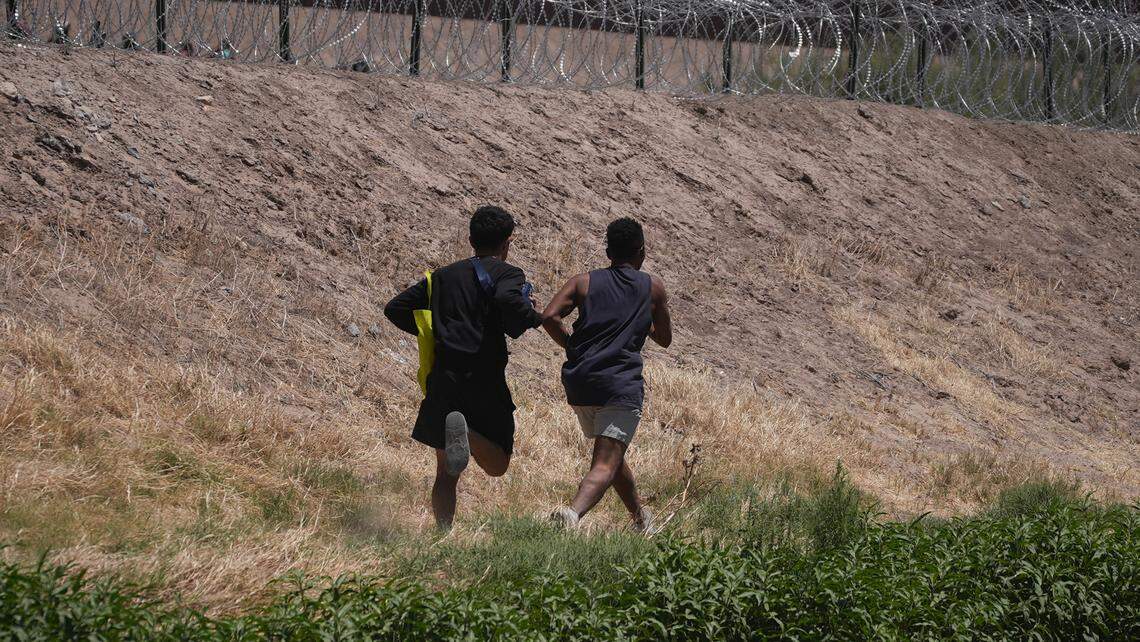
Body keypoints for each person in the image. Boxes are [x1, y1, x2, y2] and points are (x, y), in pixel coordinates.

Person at [384, 205, 542, 529]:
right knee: (498, 464)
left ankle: (443, 535)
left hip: (444, 378)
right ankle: (467, 433)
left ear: (470, 239)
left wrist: (436, 328)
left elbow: (395, 308)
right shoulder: (508, 274)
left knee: (445, 473)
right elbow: (510, 303)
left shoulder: (441, 276)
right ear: (507, 242)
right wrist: (533, 314)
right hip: (484, 381)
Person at [541, 217, 672, 532]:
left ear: (608, 251)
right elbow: (665, 338)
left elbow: (548, 316)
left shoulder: (583, 281)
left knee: (612, 452)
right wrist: (642, 317)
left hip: (581, 383)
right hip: (619, 384)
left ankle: (641, 520)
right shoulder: (651, 287)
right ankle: (571, 516)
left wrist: (573, 347)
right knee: (605, 461)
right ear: (641, 251)